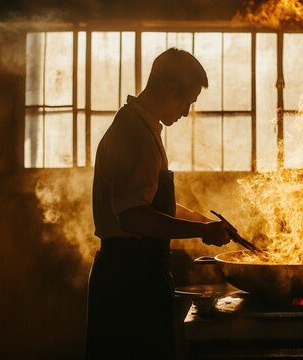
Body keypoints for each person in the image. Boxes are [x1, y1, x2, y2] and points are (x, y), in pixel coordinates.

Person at [86, 48, 232, 360]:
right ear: (169, 89)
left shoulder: (142, 128)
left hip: (136, 274)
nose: (187, 112)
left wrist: (204, 222)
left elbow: (153, 206)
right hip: (130, 280)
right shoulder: (133, 134)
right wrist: (199, 231)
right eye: (188, 101)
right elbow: (134, 217)